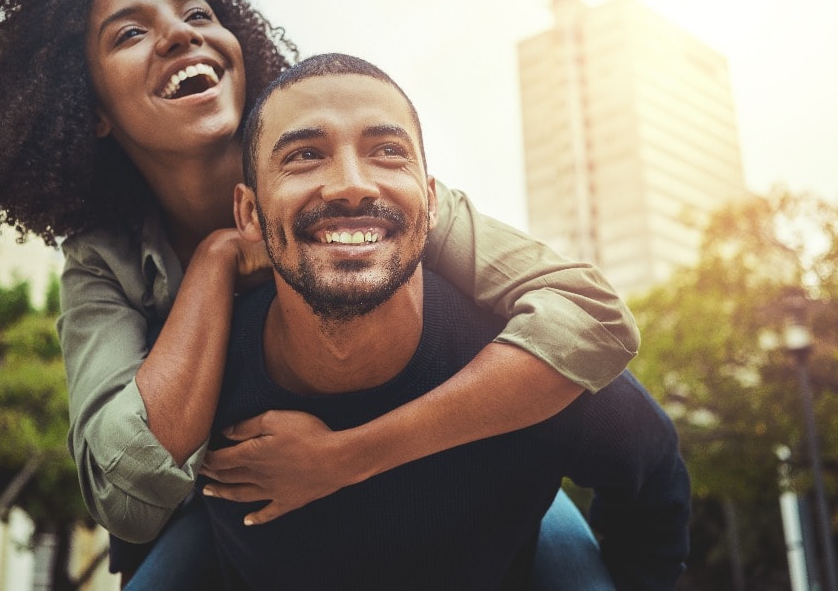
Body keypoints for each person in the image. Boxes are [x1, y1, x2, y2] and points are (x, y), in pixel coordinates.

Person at [0, 0, 641, 584]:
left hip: (452, 468)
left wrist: (348, 456)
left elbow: (588, 319)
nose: (179, 34)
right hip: (241, 515)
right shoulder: (102, 262)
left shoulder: (365, 188)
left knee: (572, 560)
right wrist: (216, 262)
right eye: (129, 34)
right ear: (91, 110)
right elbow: (123, 492)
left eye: (197, 13)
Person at [200, 52, 690, 590]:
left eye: (387, 151)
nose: (351, 184)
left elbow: (654, 469)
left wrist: (345, 456)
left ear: (432, 204)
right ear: (248, 213)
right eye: (305, 155)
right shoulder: (206, 371)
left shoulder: (535, 365)